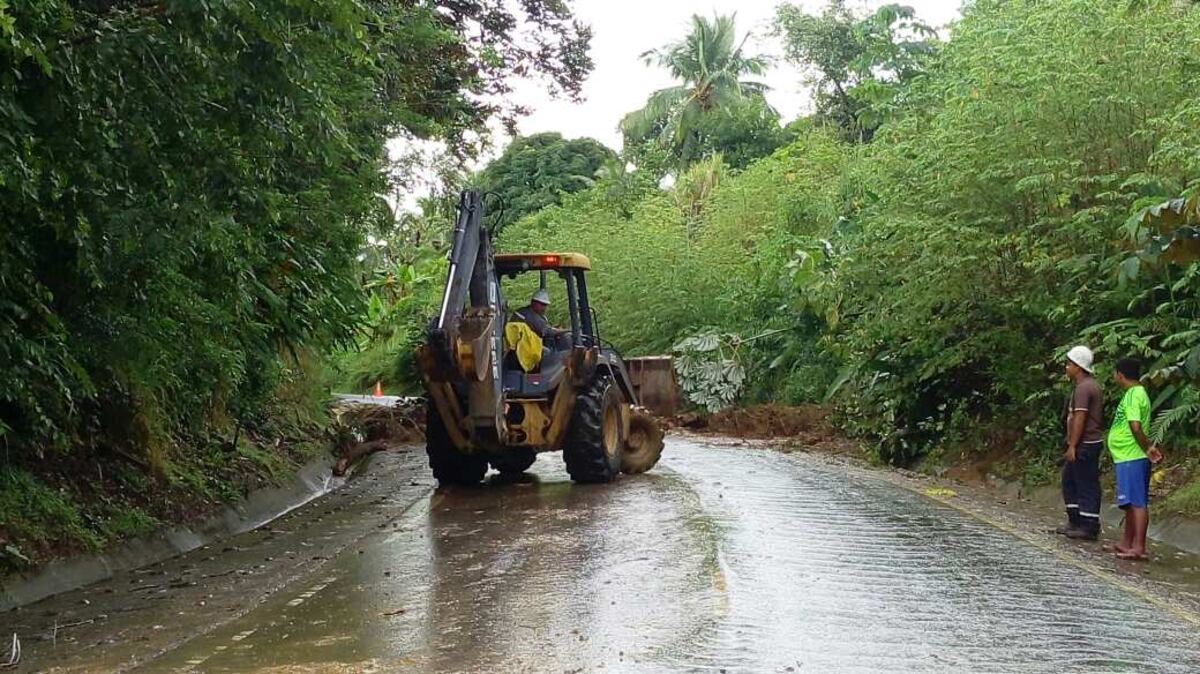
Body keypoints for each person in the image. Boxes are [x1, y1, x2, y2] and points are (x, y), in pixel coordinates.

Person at [1107, 357, 1163, 561]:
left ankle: (1138, 546)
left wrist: (1147, 447)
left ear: (1120, 374)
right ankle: (1126, 542)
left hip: (1132, 455)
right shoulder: (1139, 393)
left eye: (1115, 374)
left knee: (1137, 502)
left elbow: (1135, 426)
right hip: (1126, 456)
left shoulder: (1133, 395)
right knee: (1130, 502)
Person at [1056, 345, 1105, 540]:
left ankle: (1089, 524)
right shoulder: (1087, 386)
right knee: (1070, 480)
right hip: (1085, 441)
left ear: (1078, 366)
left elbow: (1080, 418)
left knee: (1085, 482)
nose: (1067, 367)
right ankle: (1075, 520)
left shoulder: (1085, 388)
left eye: (1069, 364)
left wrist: (1073, 445)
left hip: (1086, 442)